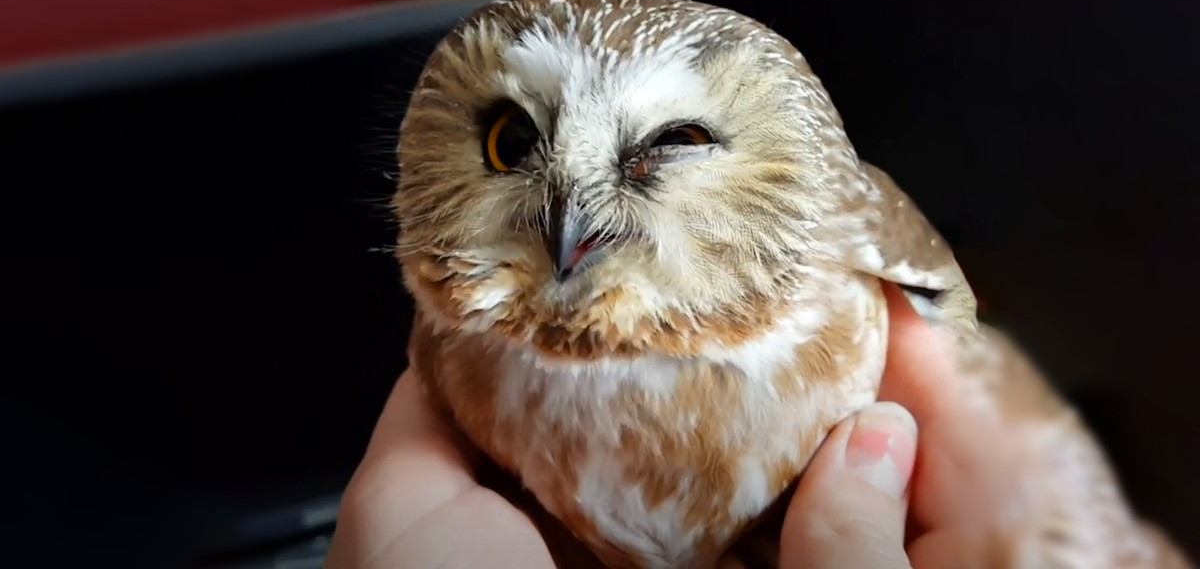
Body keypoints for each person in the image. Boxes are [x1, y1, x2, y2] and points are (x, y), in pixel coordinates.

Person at [324, 283, 1021, 569]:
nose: (576, 214)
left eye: (674, 146)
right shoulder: (465, 331)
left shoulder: (825, 279)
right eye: (513, 146)